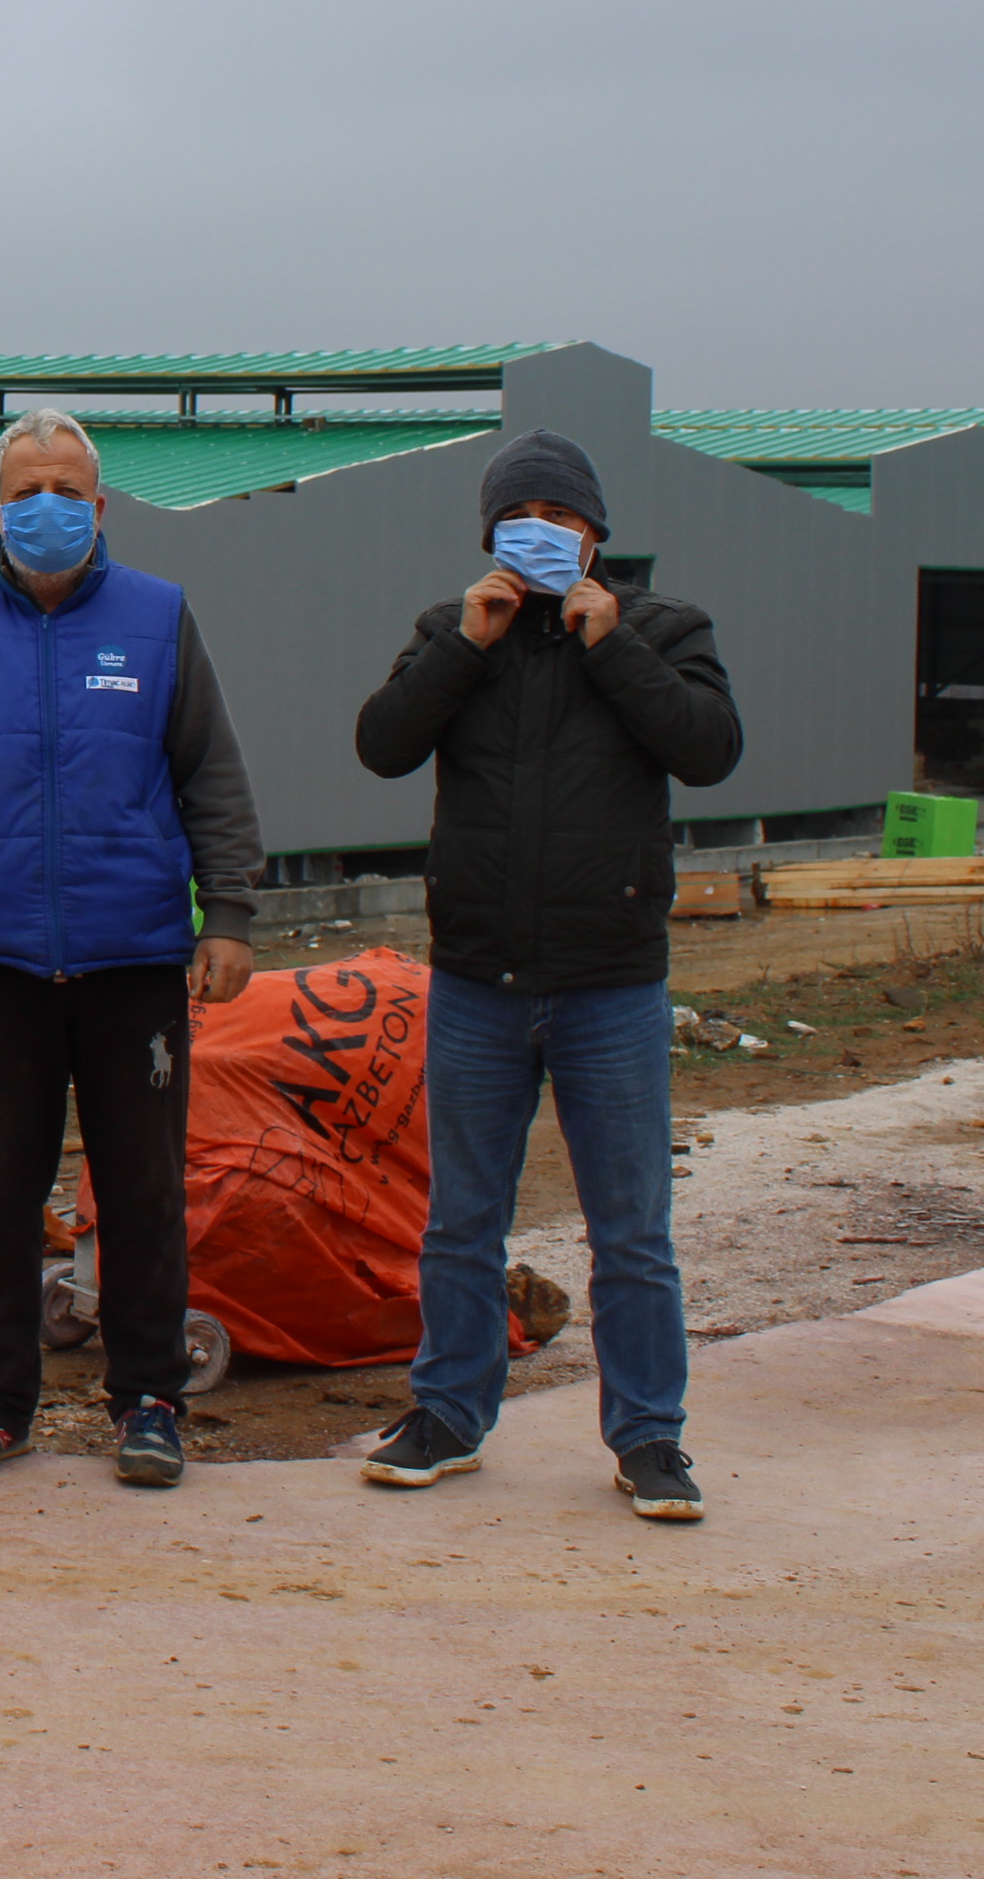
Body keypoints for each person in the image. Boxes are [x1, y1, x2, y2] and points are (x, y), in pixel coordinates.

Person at [0, 409, 263, 1490]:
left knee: (141, 1189)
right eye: (29, 490)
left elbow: (211, 775)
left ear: (100, 506)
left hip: (131, 958)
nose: (50, 507)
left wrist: (227, 913)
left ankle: (148, 1400)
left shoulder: (158, 618)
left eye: (70, 490)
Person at [352, 428, 740, 1521]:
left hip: (610, 981)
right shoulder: (453, 630)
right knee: (462, 1219)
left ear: (597, 533)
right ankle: (448, 1413)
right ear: (491, 537)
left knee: (630, 1227)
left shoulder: (664, 628)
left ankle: (649, 1437)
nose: (543, 537)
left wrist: (612, 645)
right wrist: (465, 647)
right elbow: (381, 744)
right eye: (522, 521)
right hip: (480, 979)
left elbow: (709, 748)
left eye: (562, 520)